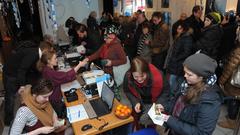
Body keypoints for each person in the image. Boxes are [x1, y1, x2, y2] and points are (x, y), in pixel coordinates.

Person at [159, 53, 222, 135]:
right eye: (185, 72)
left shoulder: (210, 101)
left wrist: (170, 120)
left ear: (201, 77)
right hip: (174, 130)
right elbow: (176, 101)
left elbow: (202, 133)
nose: (185, 76)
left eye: (189, 74)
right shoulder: (187, 84)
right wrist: (164, 107)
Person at [3, 41, 52, 126]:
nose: (50, 53)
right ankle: (8, 121)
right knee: (10, 97)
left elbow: (32, 69)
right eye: (49, 51)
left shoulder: (38, 55)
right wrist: (22, 86)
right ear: (45, 50)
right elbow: (22, 70)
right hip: (11, 73)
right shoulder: (34, 53)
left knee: (30, 86)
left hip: (19, 72)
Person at [38, 50, 87, 118]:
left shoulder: (47, 68)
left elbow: (61, 76)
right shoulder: (49, 72)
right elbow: (66, 76)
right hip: (55, 99)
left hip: (53, 97)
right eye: (55, 58)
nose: (56, 60)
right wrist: (79, 65)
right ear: (48, 61)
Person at [123, 57, 167, 130]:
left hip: (155, 102)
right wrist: (135, 102)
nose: (139, 79)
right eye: (136, 77)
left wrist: (159, 104)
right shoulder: (128, 76)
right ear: (131, 73)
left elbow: (166, 92)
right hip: (140, 101)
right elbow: (127, 91)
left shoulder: (159, 76)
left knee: (152, 122)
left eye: (142, 76)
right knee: (139, 122)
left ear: (147, 72)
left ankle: (151, 130)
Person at [166, 21, 193, 97]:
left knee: (174, 81)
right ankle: (174, 96)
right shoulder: (180, 36)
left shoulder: (187, 38)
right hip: (176, 64)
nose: (177, 30)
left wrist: (175, 58)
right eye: (177, 28)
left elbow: (186, 52)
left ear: (184, 29)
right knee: (174, 81)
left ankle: (175, 97)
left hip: (180, 64)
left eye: (179, 28)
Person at [218, 45, 240, 129]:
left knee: (233, 100)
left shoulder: (239, 50)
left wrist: (222, 80)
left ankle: (231, 122)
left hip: (236, 83)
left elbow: (230, 68)